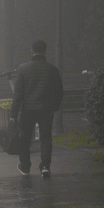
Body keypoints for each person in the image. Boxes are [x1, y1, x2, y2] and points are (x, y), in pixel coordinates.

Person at [12, 39, 64, 178]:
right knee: (46, 138)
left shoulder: (23, 69)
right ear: (45, 51)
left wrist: (13, 114)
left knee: (25, 138)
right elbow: (59, 91)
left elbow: (18, 94)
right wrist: (55, 106)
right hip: (46, 109)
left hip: (28, 109)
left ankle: (25, 166)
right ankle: (45, 166)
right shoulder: (52, 70)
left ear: (32, 50)